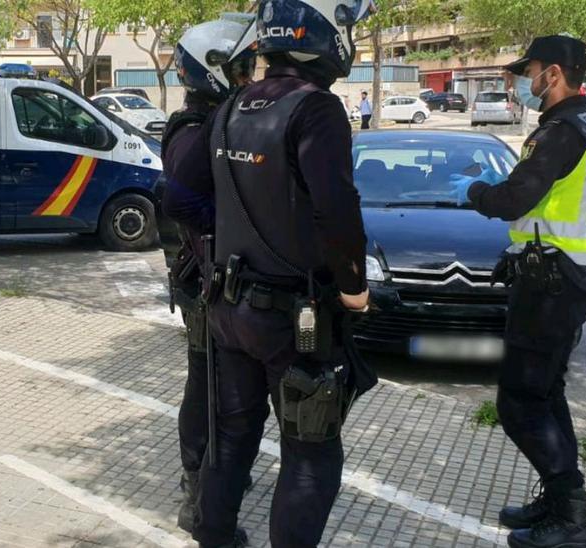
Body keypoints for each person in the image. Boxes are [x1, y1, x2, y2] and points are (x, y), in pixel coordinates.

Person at [167, 0, 377, 545]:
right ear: (325, 30)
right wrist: (354, 290)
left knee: (232, 437)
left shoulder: (236, 102)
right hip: (295, 319)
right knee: (310, 452)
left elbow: (180, 191)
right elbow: (337, 210)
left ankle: (214, 536)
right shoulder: (317, 108)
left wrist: (219, 237)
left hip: (228, 308)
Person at [449, 35, 586, 548]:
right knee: (546, 392)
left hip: (550, 282)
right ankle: (560, 503)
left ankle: (572, 521)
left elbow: (514, 199)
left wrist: (473, 191)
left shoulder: (560, 132)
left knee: (518, 402)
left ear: (555, 74)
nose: (523, 80)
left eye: (530, 70)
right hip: (570, 279)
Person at [154, 14, 257, 543]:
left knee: (222, 386)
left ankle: (215, 477)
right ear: (214, 71)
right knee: (207, 384)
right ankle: (197, 490)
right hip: (202, 284)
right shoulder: (191, 127)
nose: (249, 78)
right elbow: (181, 199)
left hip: (225, 280)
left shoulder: (222, 120)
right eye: (241, 68)